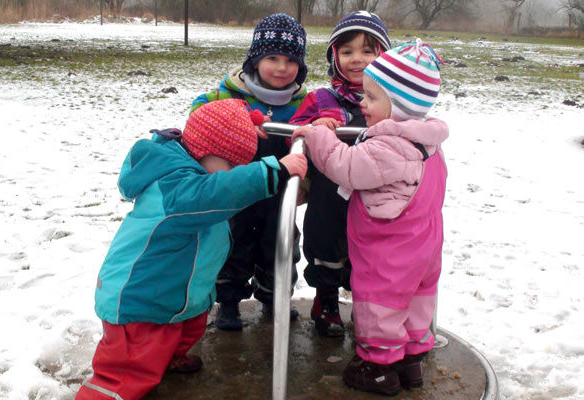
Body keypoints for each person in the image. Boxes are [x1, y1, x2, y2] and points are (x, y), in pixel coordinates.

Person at [76, 99, 307, 400]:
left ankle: (167, 358)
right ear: (204, 152)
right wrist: (271, 172)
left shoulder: (194, 166)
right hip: (141, 302)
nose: (232, 173)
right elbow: (218, 192)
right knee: (126, 372)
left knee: (187, 328)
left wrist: (244, 124)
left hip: (175, 294)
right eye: (231, 165)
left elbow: (218, 163)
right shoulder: (176, 187)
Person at [292, 40, 448, 396]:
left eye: (373, 98)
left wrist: (318, 136)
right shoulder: (429, 143)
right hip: (424, 246)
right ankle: (410, 365)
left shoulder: (391, 146)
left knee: (381, 305)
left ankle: (377, 369)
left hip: (390, 249)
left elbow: (346, 168)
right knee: (413, 304)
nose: (363, 104)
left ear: (401, 108)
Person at [191, 13, 308, 331]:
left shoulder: (303, 103)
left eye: (290, 60)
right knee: (232, 243)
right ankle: (228, 302)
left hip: (279, 192)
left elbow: (319, 126)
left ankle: (275, 296)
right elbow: (200, 111)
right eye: (272, 58)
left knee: (282, 242)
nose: (282, 68)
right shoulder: (229, 93)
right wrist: (233, 119)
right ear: (255, 60)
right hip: (237, 188)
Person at [289, 11, 392, 337]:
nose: (356, 59)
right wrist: (311, 128)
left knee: (373, 254)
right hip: (329, 195)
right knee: (327, 243)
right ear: (335, 57)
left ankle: (368, 305)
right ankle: (327, 299)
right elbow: (292, 133)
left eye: (367, 51)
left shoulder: (391, 101)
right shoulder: (321, 99)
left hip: (375, 193)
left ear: (383, 56)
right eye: (347, 52)